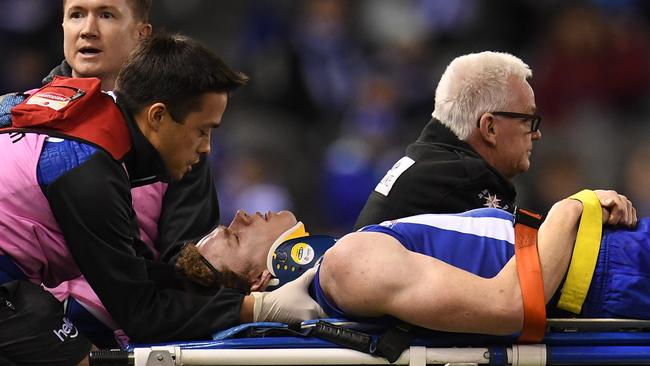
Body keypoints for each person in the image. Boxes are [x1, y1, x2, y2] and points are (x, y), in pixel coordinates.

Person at [0, 33, 323, 366]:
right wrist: (256, 307)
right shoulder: (90, 171)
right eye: (202, 130)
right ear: (157, 117)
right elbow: (141, 313)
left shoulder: (69, 107)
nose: (207, 147)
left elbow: (135, 269)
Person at [1, 0, 223, 349]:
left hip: (130, 327)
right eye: (76, 14)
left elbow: (188, 263)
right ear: (62, 28)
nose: (88, 28)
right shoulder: (19, 110)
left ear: (142, 35)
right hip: (35, 314)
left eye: (106, 14)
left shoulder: (179, 144)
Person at [184, 189, 645, 337]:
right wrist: (572, 208)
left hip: (612, 265)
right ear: (263, 279)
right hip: (615, 272)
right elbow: (511, 304)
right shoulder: (347, 265)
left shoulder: (349, 258)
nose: (241, 215)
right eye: (232, 235)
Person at [354, 51, 542, 229]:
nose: (537, 134)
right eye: (527, 120)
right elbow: (524, 254)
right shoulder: (465, 181)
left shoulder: (434, 165)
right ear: (490, 128)